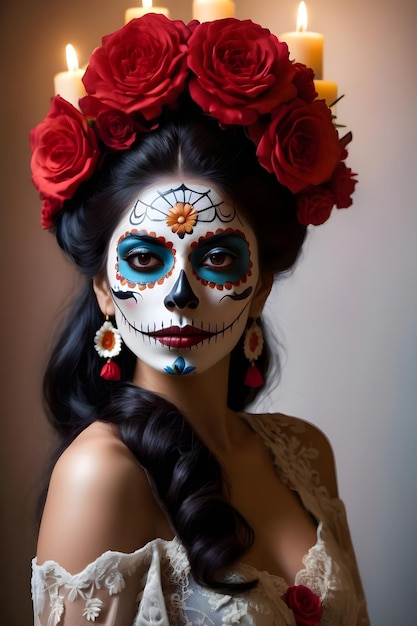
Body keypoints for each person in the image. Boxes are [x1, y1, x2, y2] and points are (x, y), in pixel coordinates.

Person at [29, 14, 370, 626]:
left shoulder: (306, 452)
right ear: (105, 289)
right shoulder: (100, 476)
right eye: (143, 258)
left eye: (216, 256)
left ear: (261, 283)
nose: (179, 295)